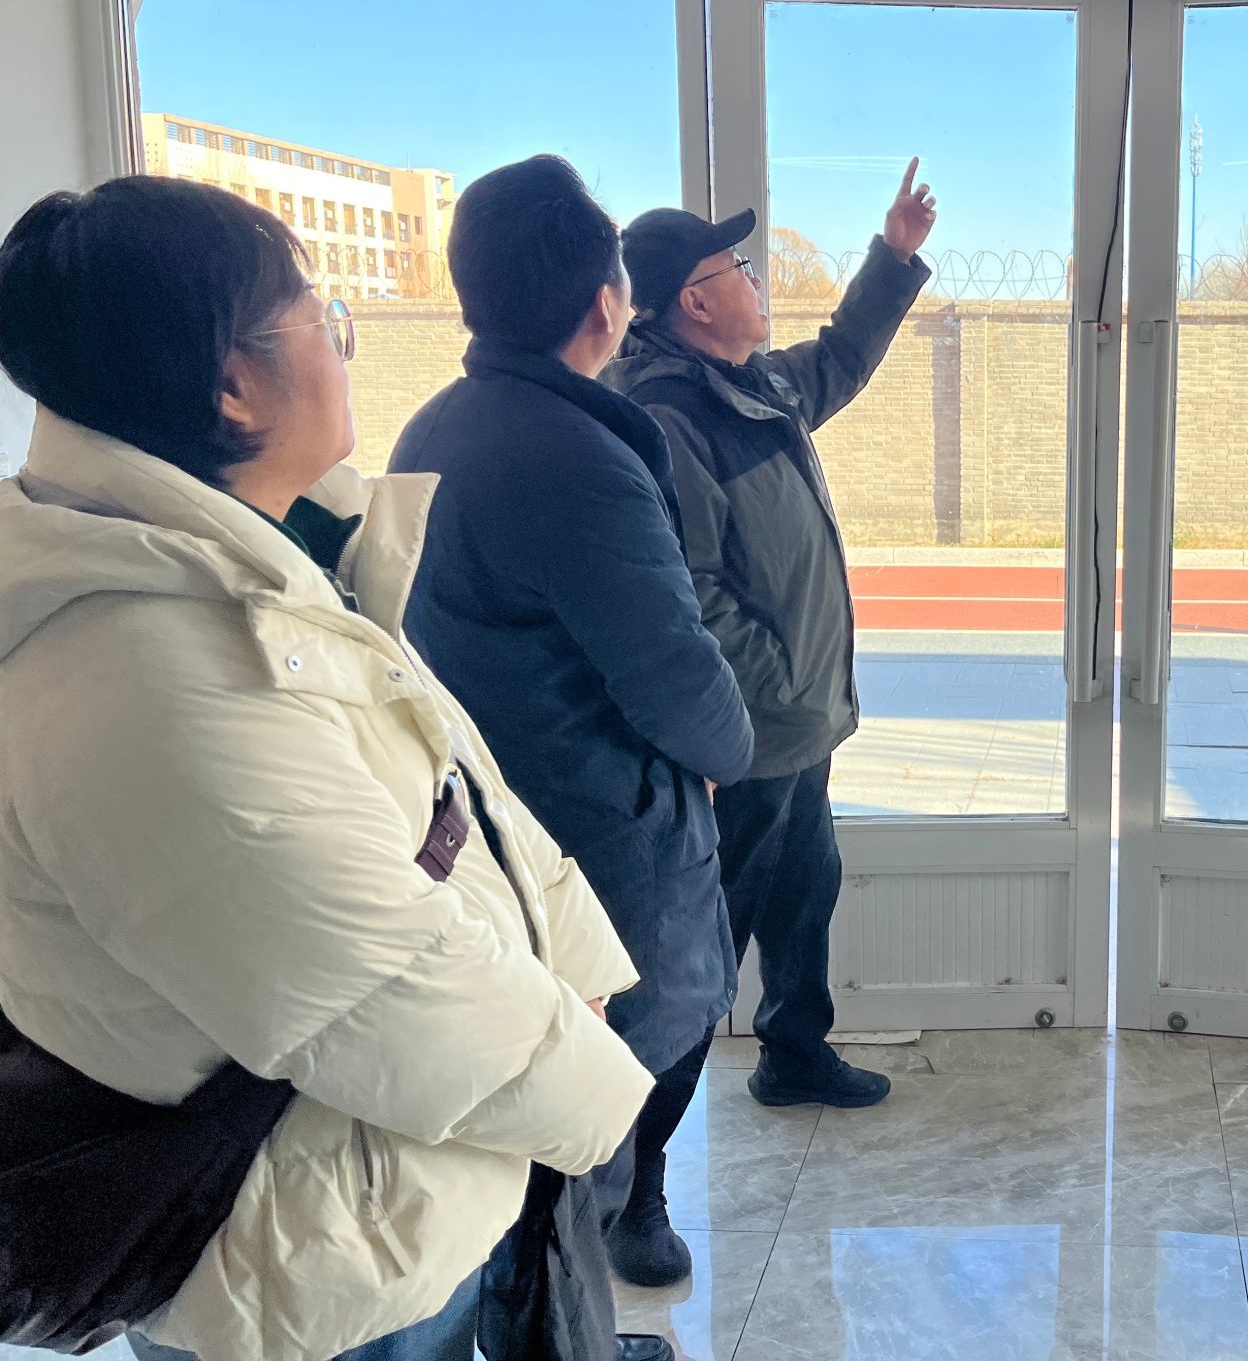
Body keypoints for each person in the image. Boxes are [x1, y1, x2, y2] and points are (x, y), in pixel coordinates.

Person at [0, 176, 653, 1360]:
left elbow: (454, 788)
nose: (343, 345)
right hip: (310, 1265)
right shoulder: (149, 674)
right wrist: (602, 1093)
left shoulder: (258, 557)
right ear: (232, 384)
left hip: (377, 1177)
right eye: (323, 315)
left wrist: (575, 968)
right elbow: (380, 985)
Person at [391, 156, 755, 1293]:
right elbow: (676, 674)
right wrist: (728, 753)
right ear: (607, 305)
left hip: (498, 830)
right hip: (599, 852)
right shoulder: (578, 456)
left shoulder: (436, 426)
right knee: (579, 1147)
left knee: (541, 1141)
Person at [606, 159, 936, 1113]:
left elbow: (840, 356)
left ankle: (793, 1053)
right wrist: (778, 692)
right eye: (737, 270)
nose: (756, 282)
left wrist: (893, 258)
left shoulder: (751, 386)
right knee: (709, 945)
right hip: (751, 735)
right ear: (694, 303)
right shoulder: (671, 417)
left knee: (804, 893)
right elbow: (693, 594)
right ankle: (638, 1154)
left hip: (794, 727)